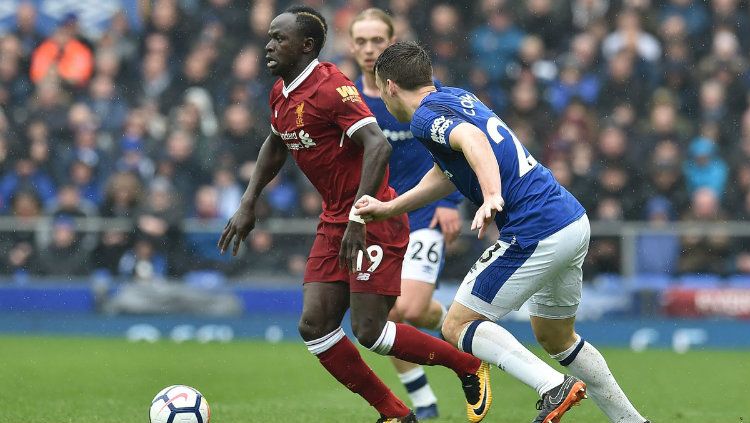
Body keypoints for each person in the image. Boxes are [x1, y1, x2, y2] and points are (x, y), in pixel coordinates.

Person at [218, 8, 491, 423]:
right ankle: (396, 413)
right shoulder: (281, 92)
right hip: (335, 219)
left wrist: (359, 219)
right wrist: (248, 202)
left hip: (372, 217)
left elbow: (377, 146)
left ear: (307, 45)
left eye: (279, 38)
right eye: (270, 37)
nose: (268, 45)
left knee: (370, 331)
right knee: (314, 325)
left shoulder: (332, 87)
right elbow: (276, 144)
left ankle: (467, 365)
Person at [356, 41, 650, 423]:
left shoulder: (424, 118)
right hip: (570, 219)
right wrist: (391, 207)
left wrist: (492, 194)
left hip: (536, 229)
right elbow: (449, 173)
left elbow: (474, 142)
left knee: (456, 325)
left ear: (390, 86)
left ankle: (552, 386)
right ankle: (633, 421)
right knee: (556, 338)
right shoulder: (455, 96)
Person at [348, 9, 464, 420]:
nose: (368, 49)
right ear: (350, 46)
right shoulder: (348, 98)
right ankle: (424, 402)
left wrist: (450, 204)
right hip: (377, 216)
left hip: (424, 211)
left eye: (377, 41)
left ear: (393, 41)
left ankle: (447, 318)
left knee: (411, 311)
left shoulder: (420, 92)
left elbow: (456, 146)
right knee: (382, 317)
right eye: (361, 42)